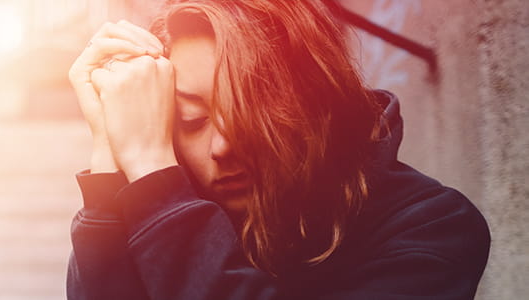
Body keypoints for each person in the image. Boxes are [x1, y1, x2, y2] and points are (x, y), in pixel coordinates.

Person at [65, 0, 490, 299]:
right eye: (190, 120)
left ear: (323, 105)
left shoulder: (434, 226)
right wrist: (110, 156)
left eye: (253, 112)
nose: (221, 147)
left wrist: (153, 176)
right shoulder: (166, 209)